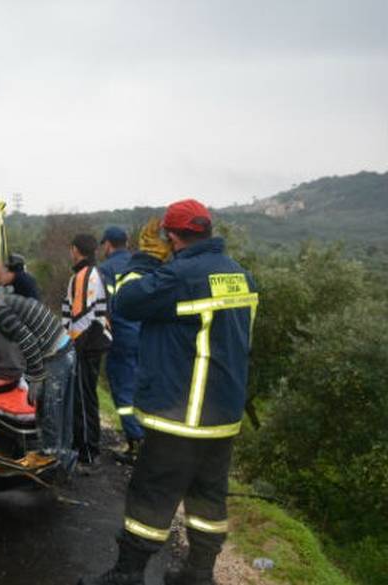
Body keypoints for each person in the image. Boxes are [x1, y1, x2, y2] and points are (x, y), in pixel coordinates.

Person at [79, 200, 258, 585]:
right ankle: (198, 573)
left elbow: (127, 301)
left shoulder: (181, 276)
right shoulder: (241, 276)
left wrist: (144, 259)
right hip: (223, 415)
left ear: (171, 237)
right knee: (208, 499)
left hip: (181, 415)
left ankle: (127, 575)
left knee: (151, 494)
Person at [62, 234, 111, 465]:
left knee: (83, 399)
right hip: (93, 343)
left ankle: (88, 452)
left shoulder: (84, 276)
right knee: (86, 397)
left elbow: (81, 318)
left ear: (75, 249)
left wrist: (71, 348)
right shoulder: (90, 273)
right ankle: (86, 447)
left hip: (86, 345)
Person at [97, 226, 144, 463]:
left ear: (107, 244)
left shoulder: (105, 270)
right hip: (145, 338)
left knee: (123, 391)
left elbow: (103, 308)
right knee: (140, 389)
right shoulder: (141, 265)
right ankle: (143, 439)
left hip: (121, 339)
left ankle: (137, 441)